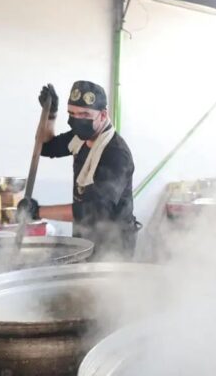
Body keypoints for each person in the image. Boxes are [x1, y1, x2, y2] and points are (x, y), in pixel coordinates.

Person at [17, 81, 139, 259]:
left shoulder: (116, 154)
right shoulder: (80, 137)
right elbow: (45, 147)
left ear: (103, 115)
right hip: (84, 234)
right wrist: (50, 114)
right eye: (72, 114)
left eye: (85, 114)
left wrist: (37, 211)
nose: (77, 120)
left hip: (113, 243)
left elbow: (95, 211)